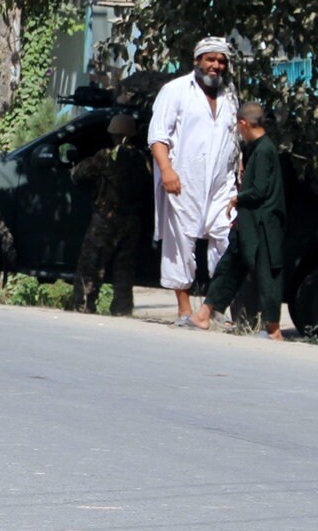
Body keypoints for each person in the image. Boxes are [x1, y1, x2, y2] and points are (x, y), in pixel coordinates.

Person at [148, 36, 241, 327]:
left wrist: (240, 175)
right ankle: (184, 310)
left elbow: (234, 140)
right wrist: (167, 171)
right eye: (210, 59)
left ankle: (214, 308)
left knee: (228, 240)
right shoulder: (175, 91)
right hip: (183, 180)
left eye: (221, 60)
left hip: (221, 184)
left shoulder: (229, 95)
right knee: (180, 241)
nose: (216, 65)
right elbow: (157, 136)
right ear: (197, 60)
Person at [189, 103, 286, 339]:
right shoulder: (258, 148)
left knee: (266, 273)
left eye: (238, 126)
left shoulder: (264, 150)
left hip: (262, 225)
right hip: (249, 222)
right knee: (230, 266)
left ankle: (273, 329)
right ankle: (203, 314)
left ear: (243, 123)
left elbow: (259, 190)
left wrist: (236, 200)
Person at [71, 113, 149, 315]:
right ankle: (122, 310)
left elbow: (78, 174)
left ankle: (84, 305)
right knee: (124, 270)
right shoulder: (143, 160)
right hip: (132, 222)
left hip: (105, 220)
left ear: (114, 134)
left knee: (91, 265)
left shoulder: (105, 157)